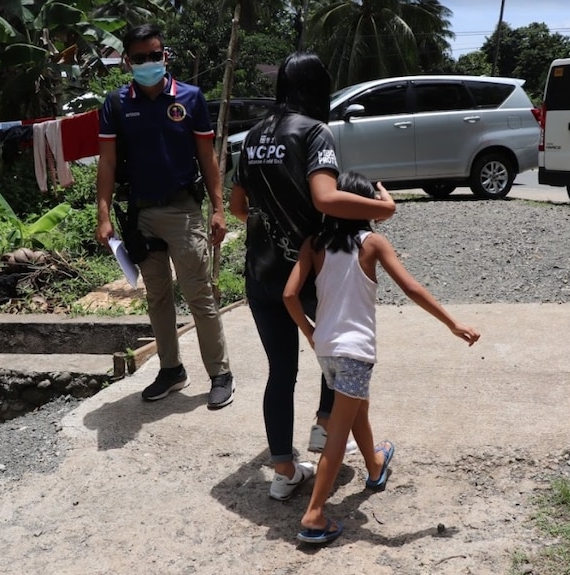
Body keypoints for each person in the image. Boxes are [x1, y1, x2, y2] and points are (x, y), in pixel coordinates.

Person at [229, 53, 396, 501]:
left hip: (260, 273)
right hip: (309, 273)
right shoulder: (314, 130)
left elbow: (237, 208)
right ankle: (325, 426)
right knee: (337, 348)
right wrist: (382, 208)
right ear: (315, 87)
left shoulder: (253, 136)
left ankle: (284, 470)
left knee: (279, 370)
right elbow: (325, 197)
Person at [283, 171, 481, 544]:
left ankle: (375, 465)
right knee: (338, 433)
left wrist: (310, 333)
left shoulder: (314, 243)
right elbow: (411, 287)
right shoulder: (371, 243)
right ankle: (313, 515)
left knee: (357, 406)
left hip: (326, 347)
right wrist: (453, 323)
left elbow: (290, 296)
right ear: (364, 206)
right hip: (355, 351)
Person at [95, 24, 235, 410]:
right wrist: (103, 215)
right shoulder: (117, 104)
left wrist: (219, 209)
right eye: (139, 58)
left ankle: (220, 374)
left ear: (165, 55)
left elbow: (207, 158)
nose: (148, 63)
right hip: (140, 215)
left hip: (182, 211)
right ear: (128, 61)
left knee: (198, 294)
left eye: (154, 55)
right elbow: (107, 162)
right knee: (156, 297)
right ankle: (171, 369)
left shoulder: (190, 98)